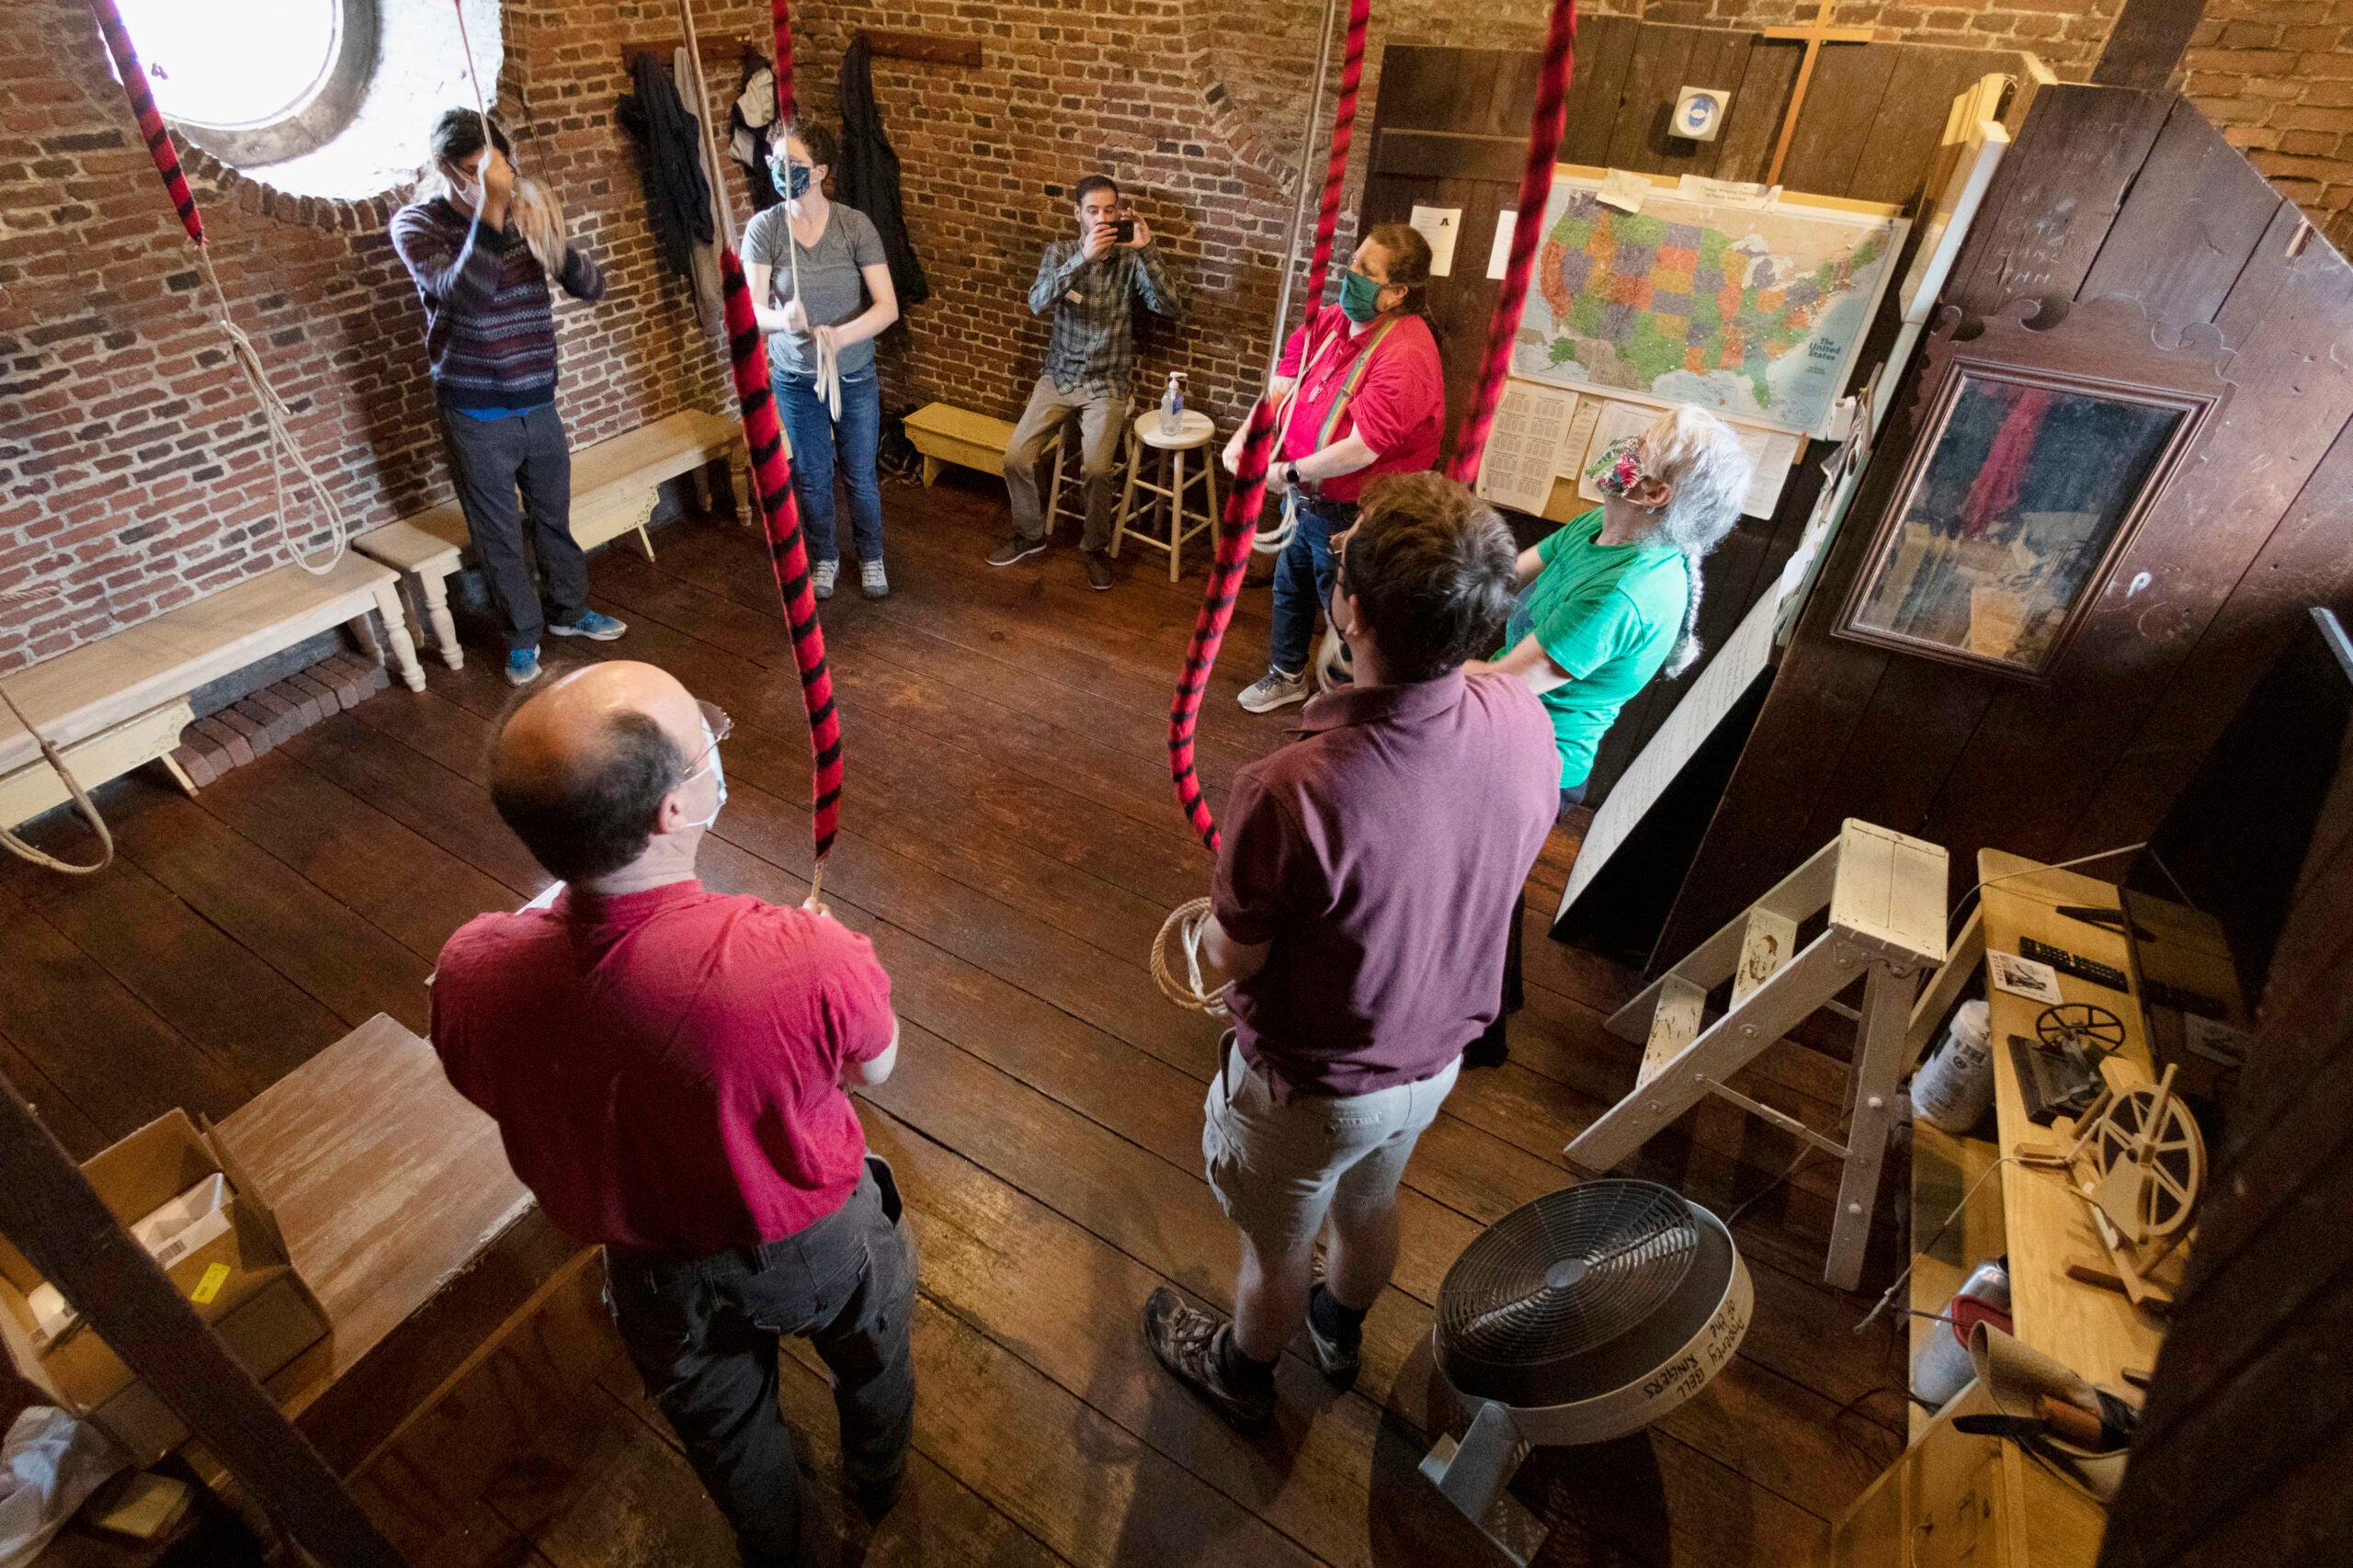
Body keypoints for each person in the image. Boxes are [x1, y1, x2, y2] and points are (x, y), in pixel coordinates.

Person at [429, 661, 914, 1565]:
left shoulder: (468, 967)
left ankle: (781, 1546)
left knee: (724, 1430)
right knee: (873, 1345)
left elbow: (487, 1079)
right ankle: (878, 1484)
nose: (714, 755)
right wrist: (811, 965)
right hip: (807, 1232)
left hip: (649, 1265)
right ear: (672, 812)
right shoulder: (804, 952)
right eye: (703, 744)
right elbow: (876, 1068)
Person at [1142, 474, 1559, 1431]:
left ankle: (1243, 1372)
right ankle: (1339, 1326)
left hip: (1313, 1085)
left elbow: (1234, 959)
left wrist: (1210, 926)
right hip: (1433, 1058)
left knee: (1277, 1245)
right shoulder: (1526, 724)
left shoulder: (1289, 788)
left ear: (1352, 611)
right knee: (1369, 1203)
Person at [1459, 403, 1753, 1067]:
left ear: (1655, 492)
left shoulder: (1628, 592)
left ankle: (1475, 1035)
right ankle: (1482, 1021)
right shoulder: (1603, 526)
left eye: (1641, 446)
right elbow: (1507, 576)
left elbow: (1506, 680)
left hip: (1534, 760)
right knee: (1487, 892)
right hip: (1508, 732)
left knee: (1476, 895)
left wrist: (1403, 657)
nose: (1621, 447)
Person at [391, 109, 628, 687]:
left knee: (553, 519)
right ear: (448, 169)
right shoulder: (416, 224)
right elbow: (464, 295)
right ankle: (523, 637)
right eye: (478, 171)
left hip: (537, 401)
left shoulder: (519, 212)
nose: (495, 179)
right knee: (498, 536)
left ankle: (569, 614)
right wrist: (493, 216)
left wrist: (549, 237)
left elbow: (592, 287)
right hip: (475, 410)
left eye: (500, 167)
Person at [1228, 222, 1445, 713]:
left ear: (1396, 293)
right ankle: (1287, 676)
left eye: (1365, 270)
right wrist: (1249, 435)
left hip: (1355, 515)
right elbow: (1284, 378)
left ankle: (1346, 702)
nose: (1350, 275)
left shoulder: (1405, 354)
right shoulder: (1330, 324)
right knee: (1292, 586)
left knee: (1348, 613)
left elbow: (1364, 447)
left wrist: (1288, 471)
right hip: (1311, 502)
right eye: (1353, 261)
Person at [989, 175, 1181, 591]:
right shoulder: (1059, 252)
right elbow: (1037, 302)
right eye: (1092, 210)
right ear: (1077, 213)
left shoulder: (1130, 261)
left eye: (1109, 210)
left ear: (1119, 212)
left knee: (1096, 469)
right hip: (1058, 376)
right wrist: (1083, 260)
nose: (1101, 218)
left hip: (1107, 383)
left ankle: (1094, 547)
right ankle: (1029, 534)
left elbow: (1169, 307)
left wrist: (1147, 250)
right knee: (1016, 457)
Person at [745, 119, 902, 602]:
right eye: (773, 162)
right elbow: (749, 310)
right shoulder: (765, 228)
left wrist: (841, 335)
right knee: (812, 478)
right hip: (795, 377)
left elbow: (887, 306)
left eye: (791, 165)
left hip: (853, 373)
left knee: (859, 474)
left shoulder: (854, 226)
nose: (778, 172)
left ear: (820, 172)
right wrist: (781, 319)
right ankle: (826, 558)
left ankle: (871, 554)